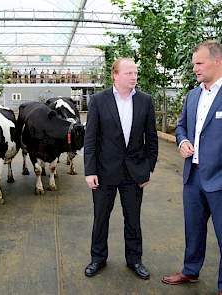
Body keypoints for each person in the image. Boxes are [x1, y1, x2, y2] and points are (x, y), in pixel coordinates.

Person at [84, 57, 158, 279]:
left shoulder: (145, 101)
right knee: (101, 218)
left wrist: (147, 169)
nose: (134, 77)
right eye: (129, 73)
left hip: (134, 173)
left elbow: (152, 139)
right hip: (104, 172)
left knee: (133, 219)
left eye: (135, 73)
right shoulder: (98, 100)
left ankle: (134, 260)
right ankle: (98, 258)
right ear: (115, 75)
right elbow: (91, 139)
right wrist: (90, 171)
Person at [162, 40, 222, 295]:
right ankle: (190, 270)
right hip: (193, 176)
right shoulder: (193, 94)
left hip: (219, 178)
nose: (195, 68)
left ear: (217, 61)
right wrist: (183, 141)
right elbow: (181, 126)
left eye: (199, 63)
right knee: (193, 229)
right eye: (193, 64)